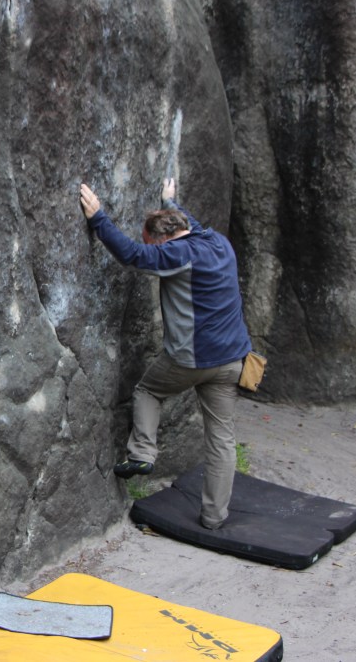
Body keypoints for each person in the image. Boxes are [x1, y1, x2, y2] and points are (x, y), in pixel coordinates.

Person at [78, 178, 251, 530]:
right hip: (233, 359)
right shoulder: (218, 242)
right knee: (221, 440)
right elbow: (190, 224)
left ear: (160, 240)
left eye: (151, 243)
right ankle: (214, 517)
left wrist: (98, 218)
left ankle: (142, 452)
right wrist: (171, 202)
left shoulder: (178, 254)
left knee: (148, 390)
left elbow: (132, 255)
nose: (152, 250)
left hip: (193, 360)